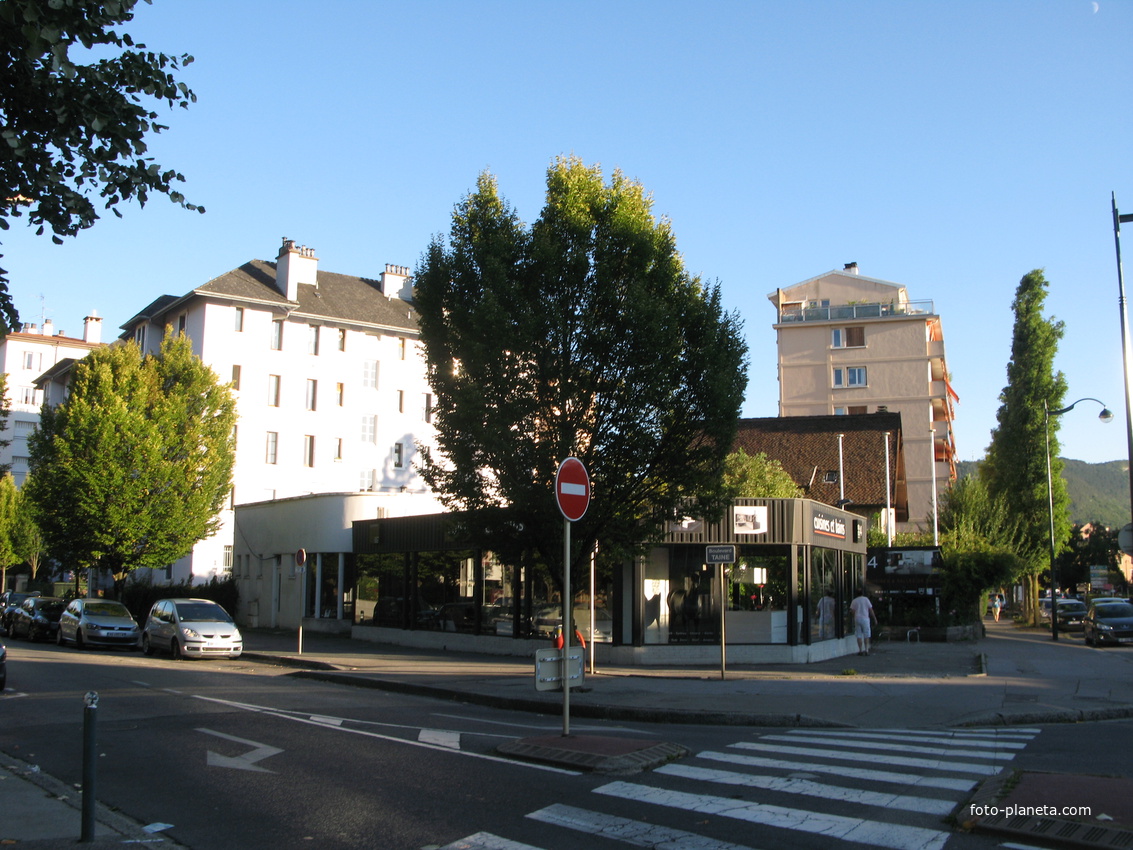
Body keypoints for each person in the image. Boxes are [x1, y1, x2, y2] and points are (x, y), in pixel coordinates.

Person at [849, 588, 878, 656]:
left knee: (859, 634)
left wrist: (855, 616)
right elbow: (870, 609)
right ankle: (866, 650)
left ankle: (860, 650)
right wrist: (874, 618)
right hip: (865, 618)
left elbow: (852, 611)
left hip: (857, 618)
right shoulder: (866, 599)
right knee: (866, 634)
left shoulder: (854, 601)